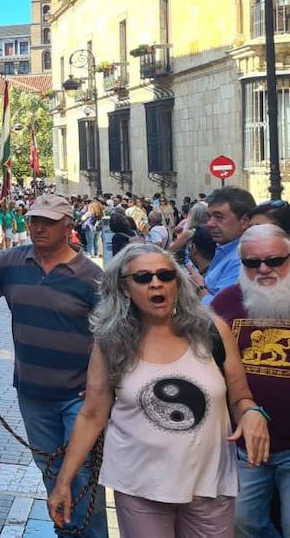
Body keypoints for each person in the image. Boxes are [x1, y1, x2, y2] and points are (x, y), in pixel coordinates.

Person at [50, 244, 266, 536]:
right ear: (124, 288)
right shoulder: (111, 341)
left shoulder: (212, 330)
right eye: (142, 277)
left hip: (210, 484)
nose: (156, 283)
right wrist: (64, 481)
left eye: (165, 275)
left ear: (176, 282)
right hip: (140, 485)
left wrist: (252, 413)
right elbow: (92, 415)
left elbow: (240, 397)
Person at [0, 193, 107, 538]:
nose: (38, 227)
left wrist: (100, 389)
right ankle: (67, 533)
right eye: (35, 220)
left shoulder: (93, 278)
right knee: (52, 471)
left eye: (48, 221)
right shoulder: (11, 262)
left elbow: (112, 339)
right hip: (33, 393)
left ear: (68, 227)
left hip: (79, 396)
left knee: (81, 475)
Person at [211, 224, 290, 536]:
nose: (264, 269)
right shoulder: (224, 304)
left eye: (274, 260)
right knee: (243, 525)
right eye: (252, 262)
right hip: (244, 447)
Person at [203, 187, 257, 303]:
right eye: (209, 216)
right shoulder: (225, 248)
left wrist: (199, 288)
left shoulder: (242, 259)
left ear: (245, 221)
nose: (210, 224)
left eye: (219, 217)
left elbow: (223, 309)